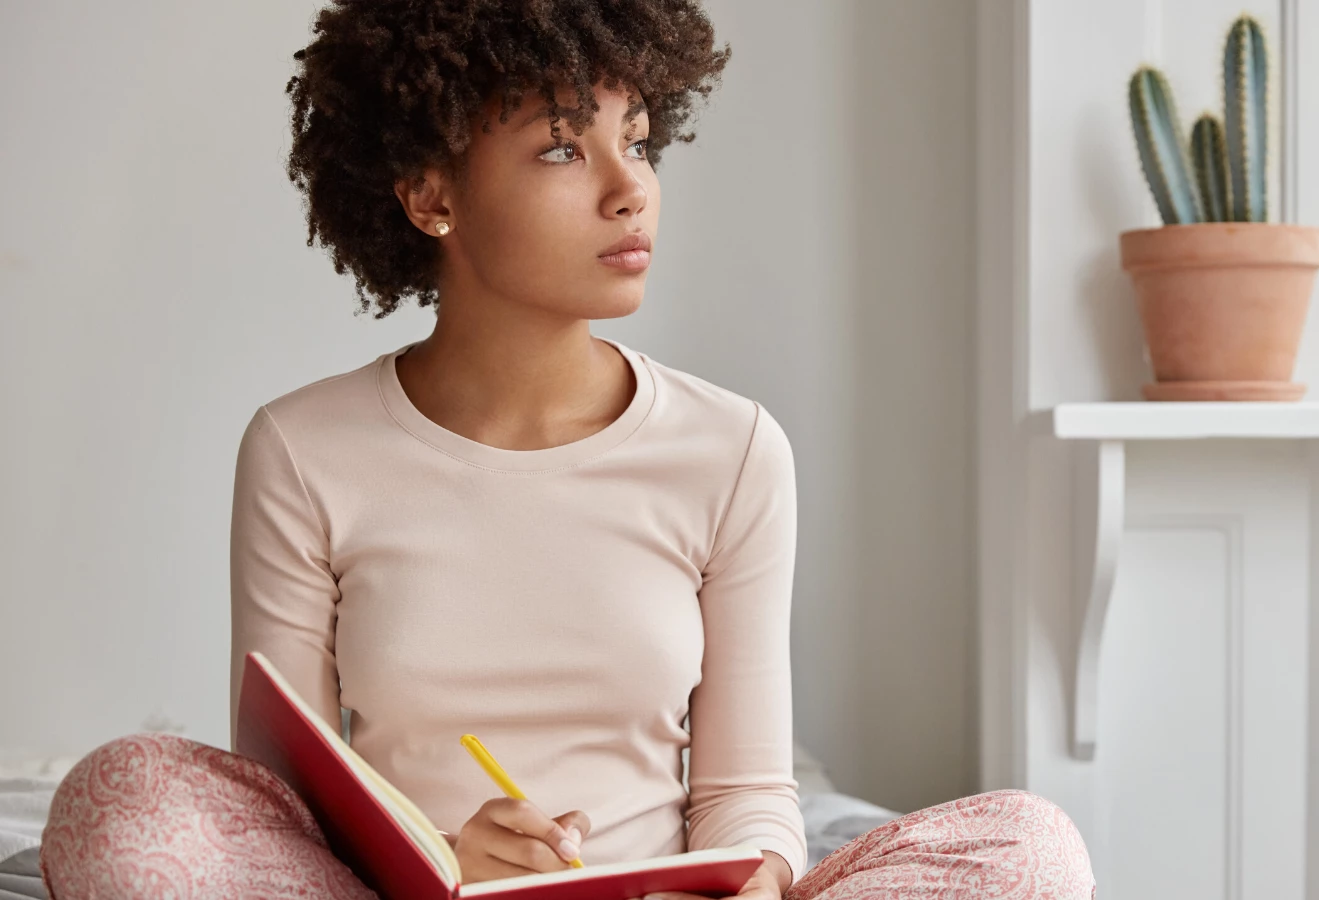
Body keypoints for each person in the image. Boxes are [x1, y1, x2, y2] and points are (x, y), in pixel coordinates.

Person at [38, 1, 1094, 898]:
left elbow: (745, 793)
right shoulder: (301, 449)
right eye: (559, 146)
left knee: (1032, 849)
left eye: (634, 138)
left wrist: (755, 880)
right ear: (430, 194)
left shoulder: (732, 450)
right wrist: (443, 856)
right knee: (121, 798)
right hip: (417, 892)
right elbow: (289, 806)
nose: (628, 185)